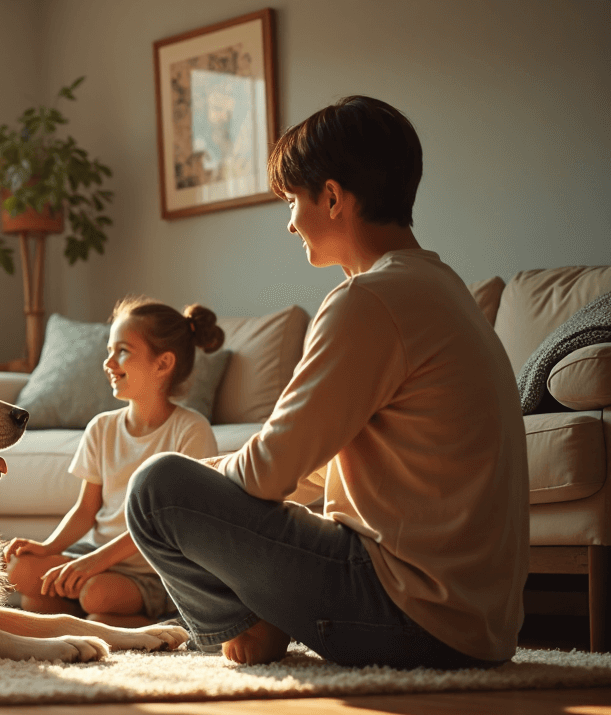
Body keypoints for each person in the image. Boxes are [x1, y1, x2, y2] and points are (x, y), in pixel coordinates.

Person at [125, 96, 528, 668]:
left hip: (410, 616)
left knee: (155, 489)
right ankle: (257, 620)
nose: (290, 221)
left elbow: (268, 473)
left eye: (292, 200)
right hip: (476, 625)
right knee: (184, 481)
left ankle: (247, 630)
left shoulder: (367, 299)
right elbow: (313, 466)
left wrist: (196, 484)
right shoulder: (443, 289)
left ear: (333, 198)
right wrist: (214, 479)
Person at [2, 298, 225, 627]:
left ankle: (144, 616)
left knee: (96, 596)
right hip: (98, 559)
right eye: (109, 350)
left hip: (152, 570)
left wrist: (92, 565)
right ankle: (98, 619)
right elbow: (85, 510)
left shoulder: (191, 430)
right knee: (21, 571)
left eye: (122, 351)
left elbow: (163, 527)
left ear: (163, 363)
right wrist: (47, 547)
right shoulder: (102, 427)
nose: (108, 362)